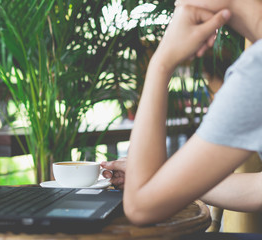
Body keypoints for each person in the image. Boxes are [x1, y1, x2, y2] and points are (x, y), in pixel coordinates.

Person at [101, 0, 262, 225]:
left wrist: (162, 61)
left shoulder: (256, 71)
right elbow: (257, 190)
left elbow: (141, 207)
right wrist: (169, 178)